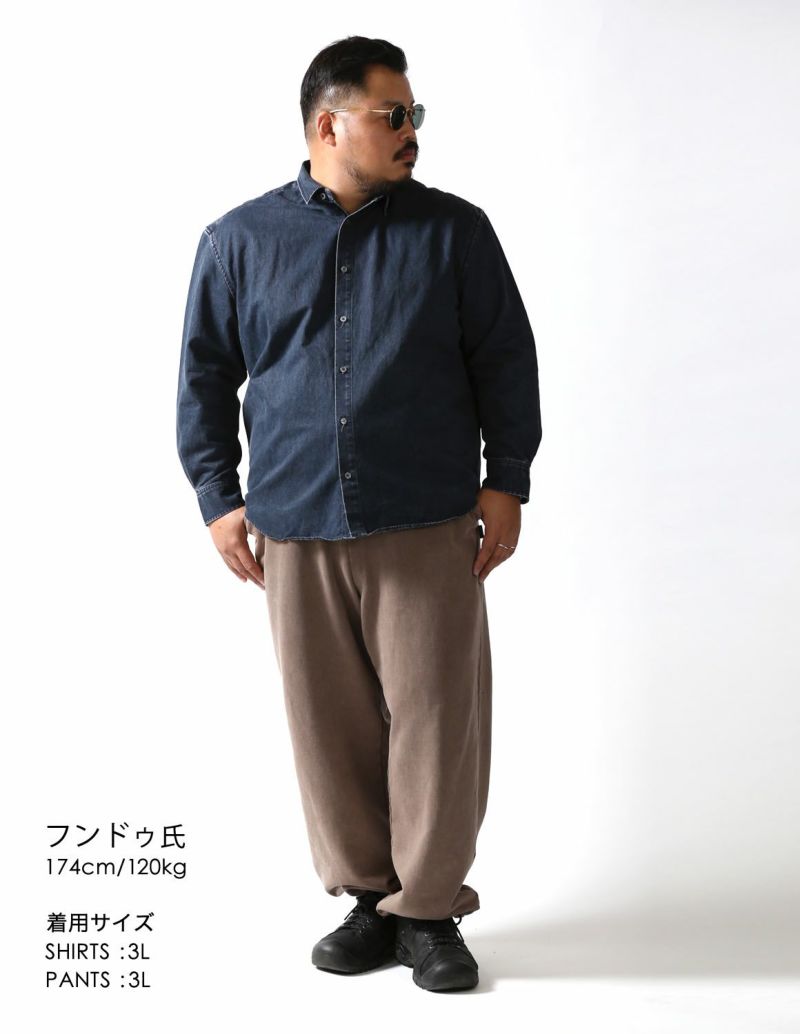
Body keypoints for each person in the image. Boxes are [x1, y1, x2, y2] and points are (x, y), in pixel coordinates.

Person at [176, 35, 542, 993]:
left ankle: (429, 910)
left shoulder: (455, 232)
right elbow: (206, 376)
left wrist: (507, 478)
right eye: (394, 115)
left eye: (415, 113)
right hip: (293, 522)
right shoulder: (238, 240)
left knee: (436, 719)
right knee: (326, 724)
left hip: (425, 514)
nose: (412, 130)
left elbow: (505, 358)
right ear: (328, 125)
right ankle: (368, 899)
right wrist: (218, 498)